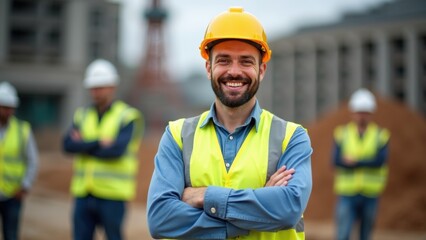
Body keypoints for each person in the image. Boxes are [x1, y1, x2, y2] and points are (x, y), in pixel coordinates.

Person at [147, 7, 313, 239]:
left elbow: (288, 210)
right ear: (208, 68)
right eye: (224, 60)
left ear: (261, 69)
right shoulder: (177, 135)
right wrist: (257, 205)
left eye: (246, 62)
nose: (234, 72)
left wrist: (204, 196)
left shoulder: (292, 137)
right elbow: (161, 219)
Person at [63, 59, 144, 240]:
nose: (95, 91)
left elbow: (116, 151)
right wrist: (99, 142)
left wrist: (83, 144)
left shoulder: (127, 116)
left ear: (112, 86)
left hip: (113, 194)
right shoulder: (82, 115)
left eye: (100, 87)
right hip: (83, 192)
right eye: (93, 87)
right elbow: (67, 145)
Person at [332, 88, 390, 240]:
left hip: (370, 193)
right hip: (347, 193)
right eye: (359, 112)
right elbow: (336, 161)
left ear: (371, 114)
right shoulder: (342, 133)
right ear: (352, 113)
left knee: (366, 235)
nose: (361, 116)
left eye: (365, 112)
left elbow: (379, 161)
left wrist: (354, 161)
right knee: (343, 234)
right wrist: (365, 161)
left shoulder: (380, 135)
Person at [0, 81, 39, 240]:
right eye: (4, 106)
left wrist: (25, 185)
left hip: (12, 194)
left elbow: (33, 160)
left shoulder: (23, 130)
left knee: (11, 235)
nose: (7, 111)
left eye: (10, 107)